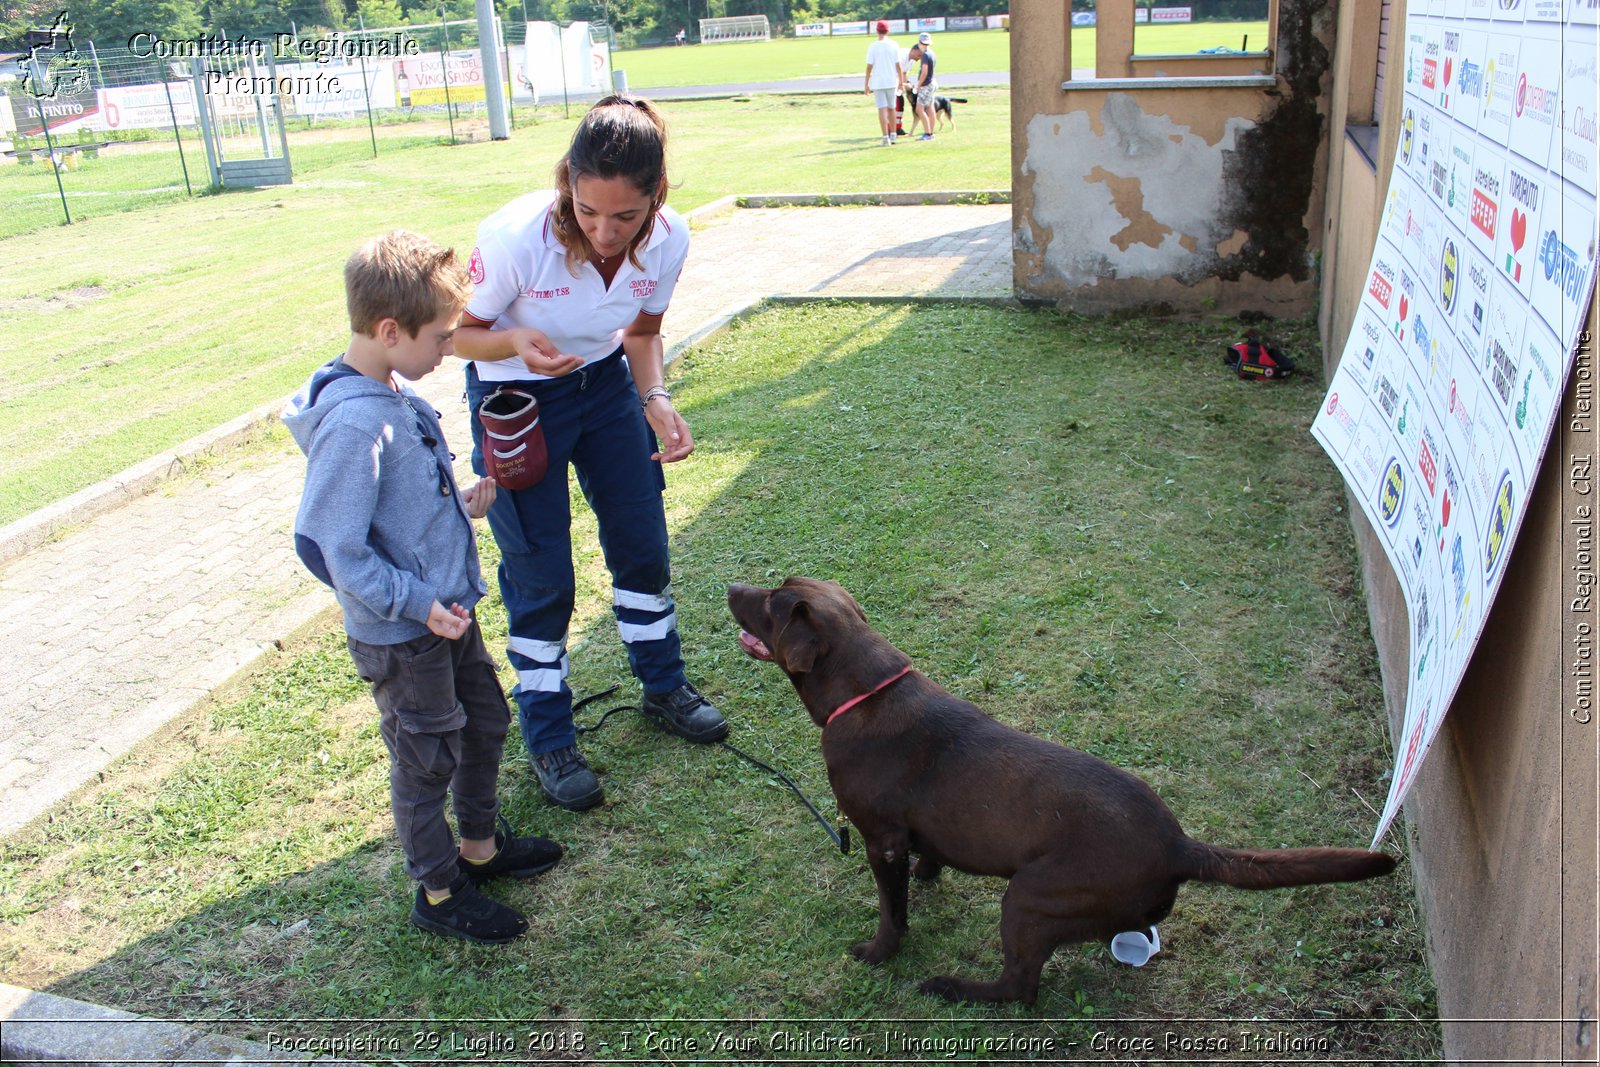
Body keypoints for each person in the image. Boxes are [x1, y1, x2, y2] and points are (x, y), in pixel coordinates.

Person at [285, 230, 563, 945]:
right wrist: (415, 603)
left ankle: (480, 846)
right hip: (407, 634)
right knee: (426, 756)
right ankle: (439, 890)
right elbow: (334, 547)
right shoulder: (353, 423)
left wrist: (460, 500)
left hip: (447, 613)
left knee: (485, 721)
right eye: (440, 337)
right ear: (388, 330)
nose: (449, 349)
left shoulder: (392, 389)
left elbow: (399, 505)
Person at [454, 95, 728, 813]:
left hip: (604, 385)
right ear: (566, 185)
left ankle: (663, 687)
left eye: (624, 217)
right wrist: (513, 342)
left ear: (656, 197)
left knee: (642, 543)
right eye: (586, 210)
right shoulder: (515, 236)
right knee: (541, 572)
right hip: (518, 400)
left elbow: (641, 333)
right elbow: (456, 335)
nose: (604, 232)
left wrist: (656, 398)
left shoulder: (670, 237)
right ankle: (549, 735)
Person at [863, 20, 903, 146]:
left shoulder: (872, 46)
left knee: (882, 109)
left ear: (877, 31)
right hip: (891, 81)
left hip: (878, 81)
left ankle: (885, 136)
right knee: (892, 108)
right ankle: (894, 134)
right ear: (888, 31)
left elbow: (869, 67)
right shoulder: (894, 45)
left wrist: (866, 83)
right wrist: (901, 81)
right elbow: (898, 66)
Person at [911, 32, 938, 141]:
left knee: (920, 109)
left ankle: (928, 133)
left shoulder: (925, 55)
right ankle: (931, 132)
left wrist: (918, 85)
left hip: (926, 84)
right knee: (930, 107)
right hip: (932, 83)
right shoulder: (932, 53)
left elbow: (924, 72)